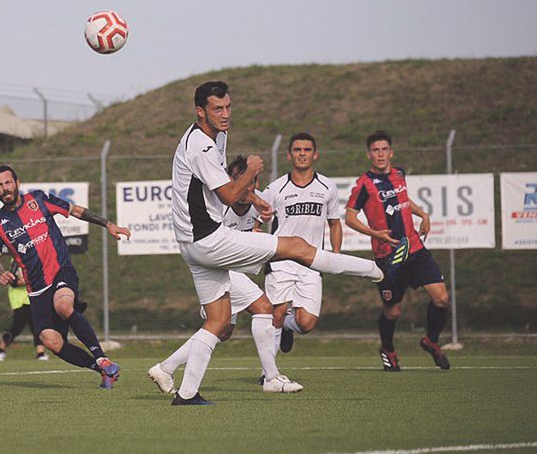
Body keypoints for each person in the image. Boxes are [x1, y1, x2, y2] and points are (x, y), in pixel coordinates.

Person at [163, 81, 383, 406]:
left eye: (228, 107)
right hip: (209, 238)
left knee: (220, 322)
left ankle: (186, 393)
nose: (225, 115)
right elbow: (226, 194)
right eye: (217, 109)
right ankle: (375, 270)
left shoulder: (214, 136)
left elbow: (220, 187)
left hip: (192, 244)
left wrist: (251, 194)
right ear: (200, 111)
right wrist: (251, 170)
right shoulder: (201, 146)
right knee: (294, 245)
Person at [149, 155, 303, 395]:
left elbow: (253, 228)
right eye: (238, 180)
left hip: (230, 267)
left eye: (251, 181)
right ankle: (271, 378)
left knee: (222, 330)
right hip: (217, 264)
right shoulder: (218, 202)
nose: (247, 187)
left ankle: (165, 368)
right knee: (263, 307)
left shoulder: (257, 203)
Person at [0, 164, 129, 389]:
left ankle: (102, 357)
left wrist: (108, 224)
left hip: (61, 271)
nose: (5, 188)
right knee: (50, 340)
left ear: (17, 183)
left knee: (63, 305)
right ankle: (101, 369)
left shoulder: (39, 200)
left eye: (8, 182)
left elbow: (75, 210)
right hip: (36, 288)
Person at [345, 130, 452, 372]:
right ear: (369, 154)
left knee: (442, 299)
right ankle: (388, 350)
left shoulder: (399, 173)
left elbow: (403, 198)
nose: (380, 154)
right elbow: (349, 218)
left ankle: (431, 342)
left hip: (414, 248)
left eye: (384, 149)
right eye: (375, 150)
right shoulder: (364, 184)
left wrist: (423, 214)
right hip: (388, 255)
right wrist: (376, 234)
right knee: (393, 312)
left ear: (390, 152)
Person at [260, 132, 344, 355]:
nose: (302, 154)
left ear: (315, 155)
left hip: (311, 264)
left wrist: (334, 255)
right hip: (280, 262)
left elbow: (335, 224)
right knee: (276, 314)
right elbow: (256, 222)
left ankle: (288, 327)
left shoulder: (327, 187)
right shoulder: (275, 188)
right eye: (297, 150)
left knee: (306, 323)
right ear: (289, 155)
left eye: (307, 150)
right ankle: (269, 373)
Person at [0, 267, 48, 362]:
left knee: (37, 327)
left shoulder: (31, 260)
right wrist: (34, 279)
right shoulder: (17, 261)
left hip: (31, 300)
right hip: (21, 301)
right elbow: (14, 282)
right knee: (17, 327)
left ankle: (40, 353)